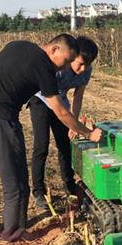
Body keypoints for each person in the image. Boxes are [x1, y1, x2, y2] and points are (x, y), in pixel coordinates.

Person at [0, 34, 102, 242]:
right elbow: (60, 110)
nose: (64, 67)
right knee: (17, 182)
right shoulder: (45, 68)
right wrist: (88, 133)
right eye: (65, 61)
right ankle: (13, 233)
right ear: (54, 49)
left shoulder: (18, 45)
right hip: (0, 119)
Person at [29, 36, 98, 209]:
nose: (83, 69)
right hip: (41, 99)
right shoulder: (60, 66)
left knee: (65, 145)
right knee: (41, 145)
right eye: (80, 63)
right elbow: (51, 99)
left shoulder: (86, 71)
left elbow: (78, 95)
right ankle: (38, 191)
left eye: (87, 65)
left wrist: (74, 123)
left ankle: (70, 186)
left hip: (61, 101)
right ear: (72, 56)